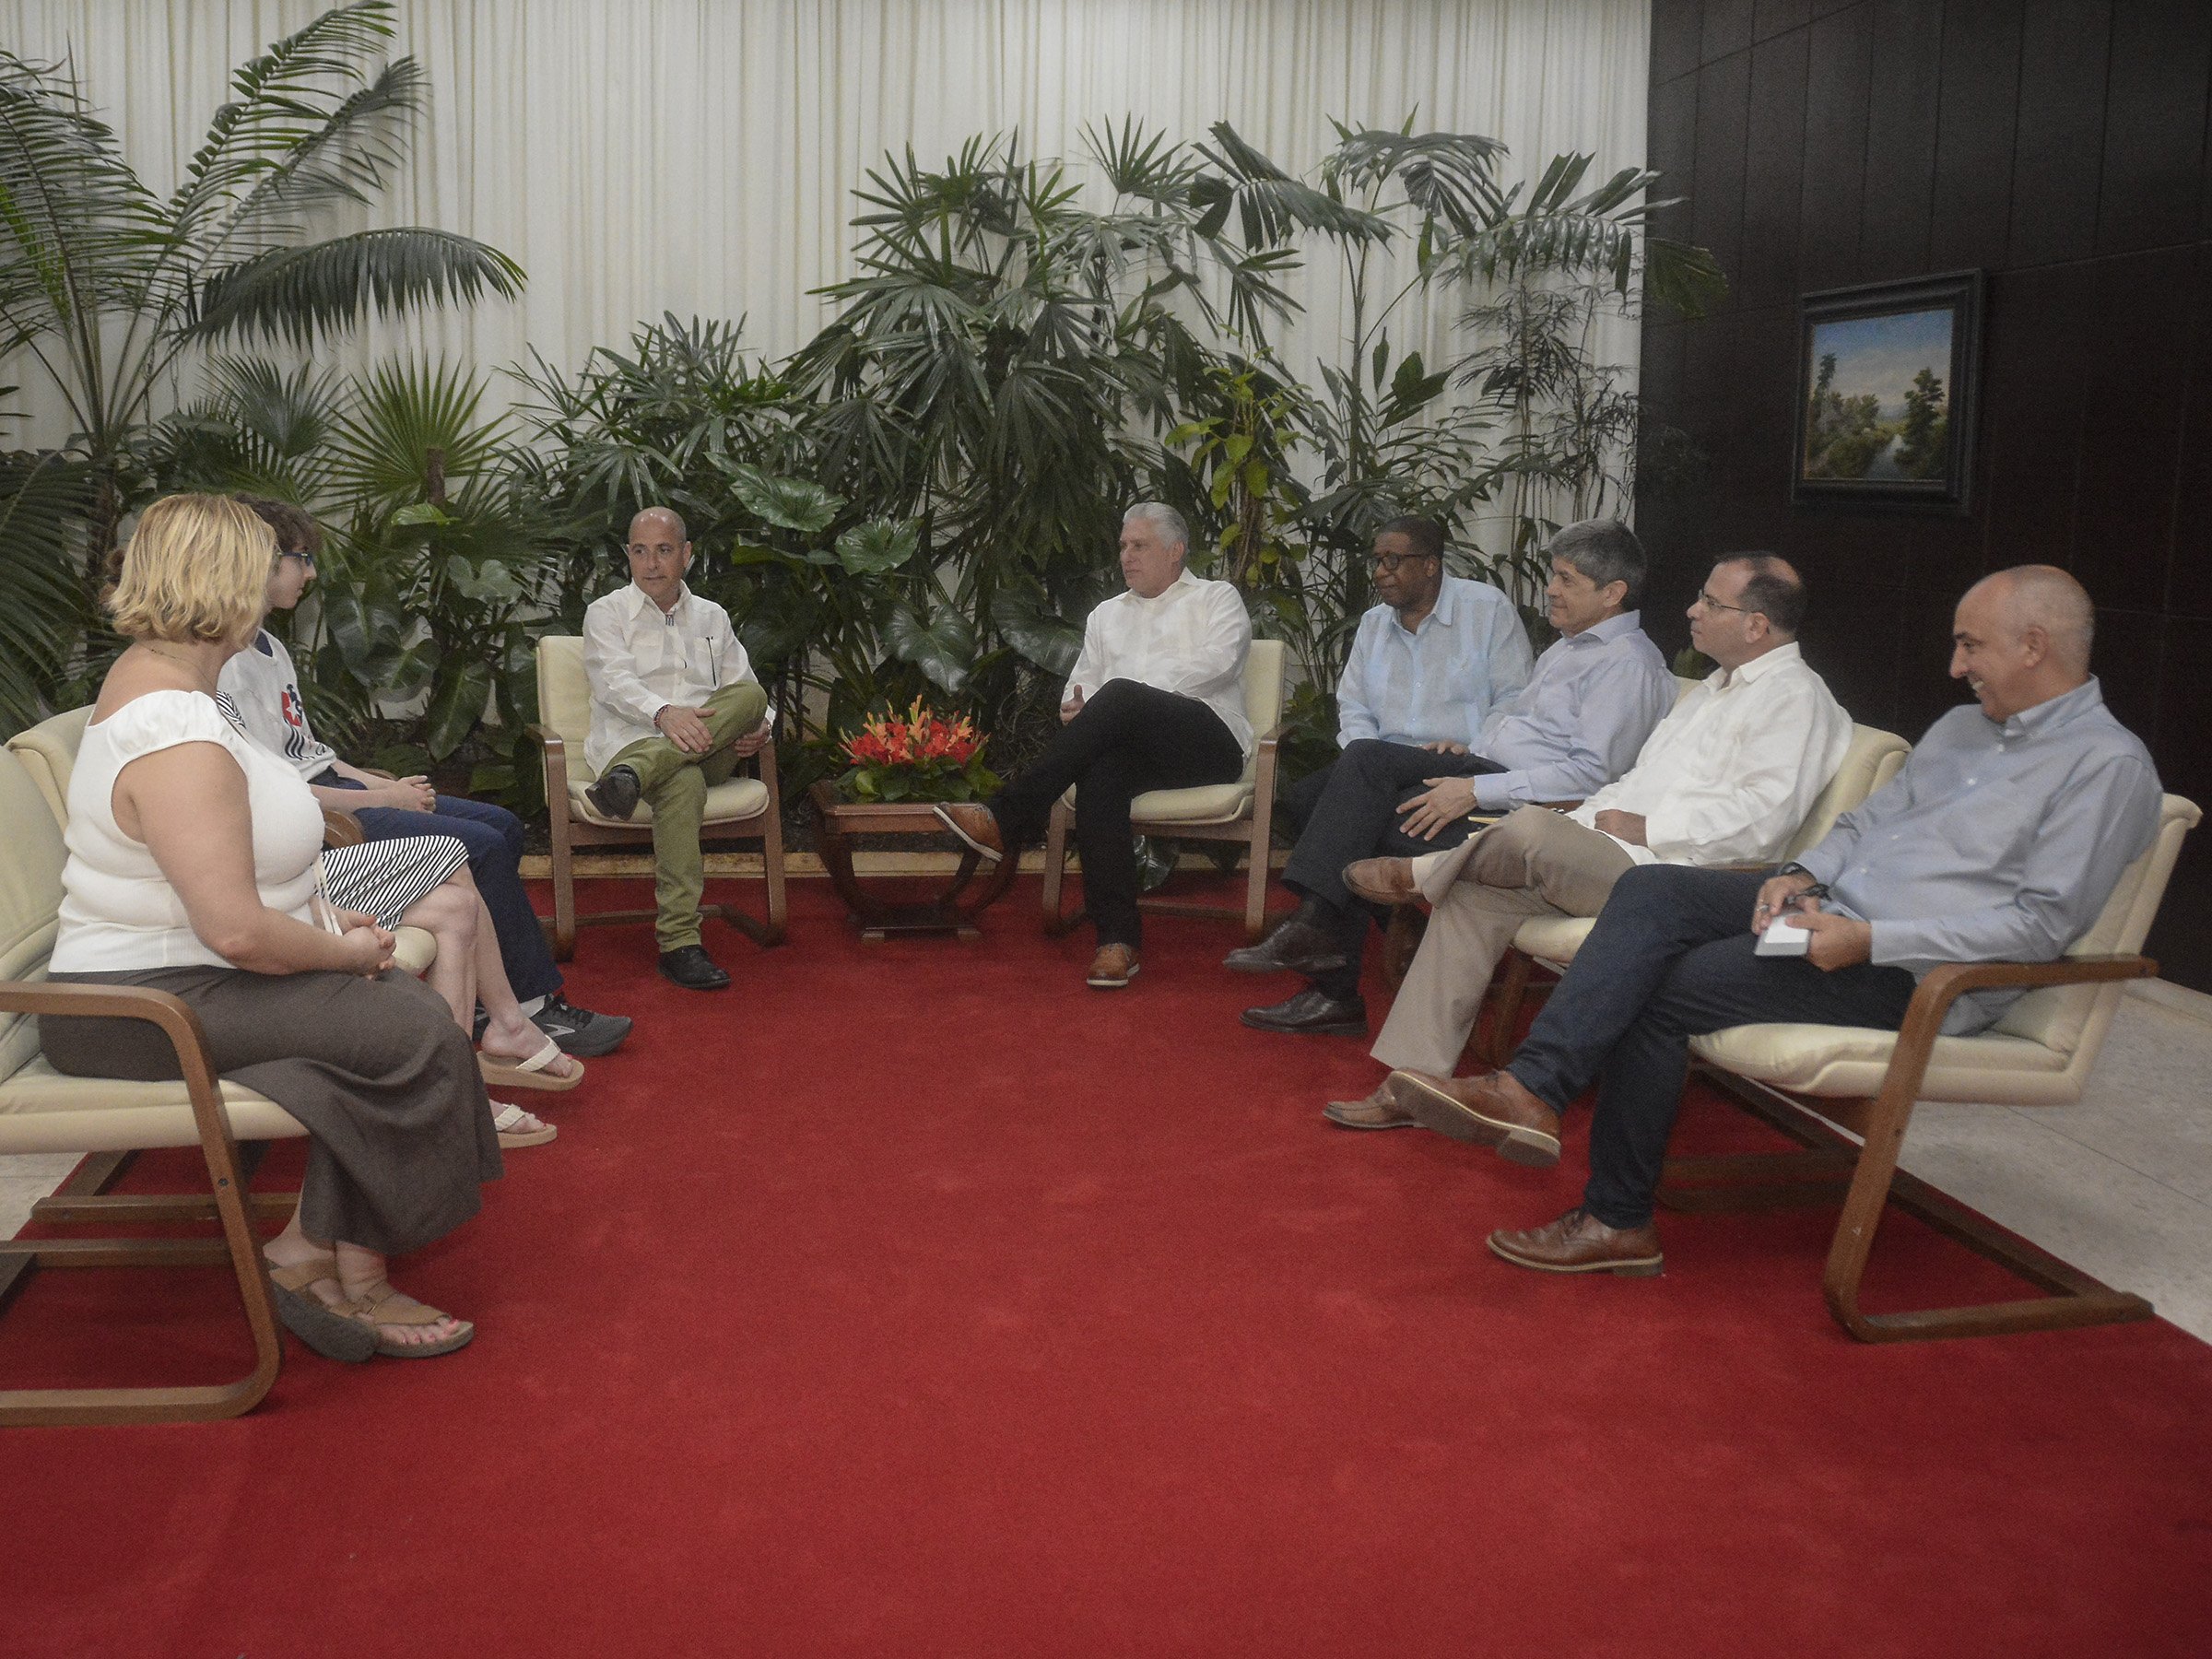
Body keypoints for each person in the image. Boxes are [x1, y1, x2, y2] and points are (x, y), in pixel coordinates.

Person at [1383, 566, 2162, 1277]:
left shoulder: (2107, 767)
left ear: (2034, 646)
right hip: (1833, 912)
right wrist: (1802, 873)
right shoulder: (1961, 729)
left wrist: (1872, 939)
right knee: (1654, 894)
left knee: (1669, 987)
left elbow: (2036, 927)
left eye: (1971, 645)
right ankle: (1533, 1088)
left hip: (1913, 973)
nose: (1957, 666)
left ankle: (1617, 1220)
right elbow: (1863, 824)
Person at [40, 494, 501, 1361]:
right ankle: (344, 1275)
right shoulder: (172, 728)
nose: (277, 582)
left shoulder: (178, 691)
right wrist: (345, 951)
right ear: (225, 584)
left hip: (183, 982)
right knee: (414, 1032)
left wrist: (329, 925)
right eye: (262, 565)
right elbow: (236, 932)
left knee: (381, 1022)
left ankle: (311, 1255)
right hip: (140, 1006)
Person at [1323, 555, 1850, 1128]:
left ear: (1755, 626)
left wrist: (1649, 829)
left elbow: (1763, 820)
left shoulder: (1796, 700)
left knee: (1524, 827)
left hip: (1674, 878)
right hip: (1607, 854)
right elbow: (1632, 783)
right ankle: (1409, 1082)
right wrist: (1589, 821)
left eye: (1712, 603)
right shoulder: (1709, 691)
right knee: (1474, 895)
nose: (1692, 610)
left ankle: (1420, 874)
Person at [1228, 519, 1676, 1037]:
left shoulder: (1627, 666)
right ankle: (1325, 943)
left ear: (1613, 592)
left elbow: (1591, 775)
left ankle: (1328, 964)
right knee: (1349, 776)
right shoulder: (1571, 649)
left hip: (1529, 810)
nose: (1549, 589)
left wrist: (1472, 788)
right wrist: (1469, 752)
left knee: (1355, 805)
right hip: (1482, 765)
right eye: (1554, 575)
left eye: (1566, 579)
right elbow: (1516, 724)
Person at [218, 498, 629, 1059]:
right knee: (474, 845)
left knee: (504, 826)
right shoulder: (225, 663)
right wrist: (384, 796)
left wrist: (380, 784)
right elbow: (273, 784)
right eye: (301, 559)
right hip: (318, 812)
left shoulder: (273, 647)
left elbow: (313, 752)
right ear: (260, 562)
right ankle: (532, 1008)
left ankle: (490, 992)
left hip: (335, 787)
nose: (311, 572)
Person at [934, 502, 1252, 989]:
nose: (1126, 556)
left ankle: (1008, 814)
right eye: (1123, 546)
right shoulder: (1106, 615)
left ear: (1175, 551)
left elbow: (1220, 664)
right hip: (1135, 749)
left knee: (1122, 695)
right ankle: (1117, 940)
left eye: (1138, 545)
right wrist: (1079, 707)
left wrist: (1125, 698)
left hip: (1206, 742)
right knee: (1102, 774)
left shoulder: (1216, 598)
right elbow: (1080, 687)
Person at [580, 506, 772, 991]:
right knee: (682, 781)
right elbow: (613, 683)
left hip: (709, 746)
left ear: (686, 555)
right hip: (632, 741)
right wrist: (665, 714)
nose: (651, 563)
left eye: (663, 551)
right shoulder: (606, 613)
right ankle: (680, 945)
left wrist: (759, 728)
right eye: (640, 551)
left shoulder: (712, 616)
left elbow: (743, 688)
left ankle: (632, 781)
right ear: (628, 556)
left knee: (752, 698)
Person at [1274, 514, 1532, 841]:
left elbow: (1515, 698)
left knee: (1337, 802)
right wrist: (1361, 759)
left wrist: (1475, 749)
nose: (1381, 573)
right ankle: (1342, 888)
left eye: (1393, 561)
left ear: (1430, 565)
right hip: (1380, 763)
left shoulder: (1488, 609)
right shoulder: (1373, 623)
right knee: (1304, 799)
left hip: (1460, 761)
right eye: (1377, 561)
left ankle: (1318, 892)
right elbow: (1354, 706)